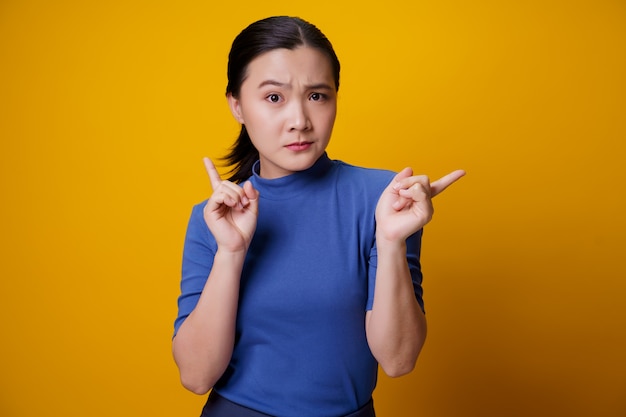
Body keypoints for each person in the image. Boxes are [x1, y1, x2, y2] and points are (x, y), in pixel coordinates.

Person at [172, 15, 465, 417]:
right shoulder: (215, 218)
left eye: (317, 96)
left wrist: (391, 241)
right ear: (237, 105)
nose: (300, 121)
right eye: (274, 97)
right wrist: (230, 252)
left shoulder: (384, 200)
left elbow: (398, 361)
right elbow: (196, 375)